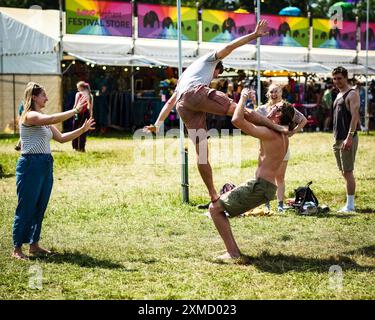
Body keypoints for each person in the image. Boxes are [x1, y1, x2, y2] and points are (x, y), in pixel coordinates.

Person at [144, 20, 287, 204]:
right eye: (217, 74)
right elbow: (230, 46)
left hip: (183, 105)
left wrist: (157, 125)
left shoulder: (183, 77)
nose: (215, 77)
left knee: (201, 152)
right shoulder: (210, 59)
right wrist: (254, 35)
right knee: (241, 110)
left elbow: (171, 102)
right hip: (195, 94)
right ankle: (276, 127)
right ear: (217, 66)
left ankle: (213, 194)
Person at [209, 88, 296, 260]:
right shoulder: (280, 133)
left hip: (260, 186)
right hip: (264, 185)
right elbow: (256, 117)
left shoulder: (271, 133)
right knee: (218, 208)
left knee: (214, 208)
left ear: (278, 116)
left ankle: (233, 253)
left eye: (275, 108)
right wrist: (250, 103)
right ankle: (232, 251)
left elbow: (237, 120)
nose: (270, 108)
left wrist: (242, 97)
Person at [12, 82, 95, 260]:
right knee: (26, 206)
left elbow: (62, 138)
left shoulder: (42, 117)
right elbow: (51, 119)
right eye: (43, 95)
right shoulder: (30, 116)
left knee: (40, 206)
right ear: (34, 97)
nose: (47, 98)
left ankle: (34, 245)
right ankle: (17, 248)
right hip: (30, 164)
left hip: (45, 163)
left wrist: (82, 129)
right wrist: (74, 111)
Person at [253, 83, 307, 212]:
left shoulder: (286, 107)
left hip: (282, 147)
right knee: (265, 177)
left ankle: (280, 205)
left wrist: (293, 132)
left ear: (281, 92)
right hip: (265, 149)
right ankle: (266, 205)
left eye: (276, 91)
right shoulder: (261, 109)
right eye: (271, 92)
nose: (274, 94)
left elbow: (303, 120)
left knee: (280, 177)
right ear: (268, 94)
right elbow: (253, 122)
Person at [331, 66, 360, 213]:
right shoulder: (338, 93)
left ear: (346, 77)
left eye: (339, 78)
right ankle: (348, 204)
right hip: (338, 138)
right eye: (334, 78)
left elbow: (355, 116)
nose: (337, 81)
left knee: (348, 171)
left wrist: (349, 137)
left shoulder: (352, 93)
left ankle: (350, 206)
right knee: (344, 171)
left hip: (347, 137)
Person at [72, 81, 93, 152]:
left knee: (75, 129)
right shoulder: (90, 95)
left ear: (81, 87)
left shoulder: (78, 94)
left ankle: (75, 147)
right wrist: (90, 116)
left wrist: (73, 113)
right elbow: (90, 108)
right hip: (86, 113)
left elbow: (75, 105)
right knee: (84, 130)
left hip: (78, 112)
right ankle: (82, 147)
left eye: (78, 87)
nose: (77, 89)